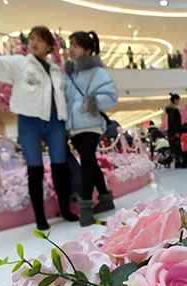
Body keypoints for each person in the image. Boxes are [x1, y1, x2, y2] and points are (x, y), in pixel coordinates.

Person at [0, 18, 77, 230]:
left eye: (40, 40)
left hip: (55, 122)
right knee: (35, 169)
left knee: (59, 167)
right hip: (29, 122)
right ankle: (40, 217)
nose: (34, 43)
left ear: (49, 45)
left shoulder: (56, 71)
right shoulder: (20, 64)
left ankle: (66, 209)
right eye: (31, 39)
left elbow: (64, 98)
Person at [64, 30, 118, 227]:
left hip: (91, 125)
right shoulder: (69, 75)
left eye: (76, 45)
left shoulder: (97, 72)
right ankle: (105, 198)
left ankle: (85, 207)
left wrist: (93, 102)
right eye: (70, 45)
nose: (71, 49)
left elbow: (112, 96)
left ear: (87, 50)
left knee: (86, 161)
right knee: (90, 161)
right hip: (75, 127)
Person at [165, 93, 183, 166]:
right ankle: (178, 162)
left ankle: (177, 161)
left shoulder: (171, 110)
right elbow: (174, 122)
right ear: (175, 100)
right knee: (176, 146)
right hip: (174, 132)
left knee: (175, 146)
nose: (179, 101)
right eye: (178, 100)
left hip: (172, 132)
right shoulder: (173, 110)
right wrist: (177, 132)